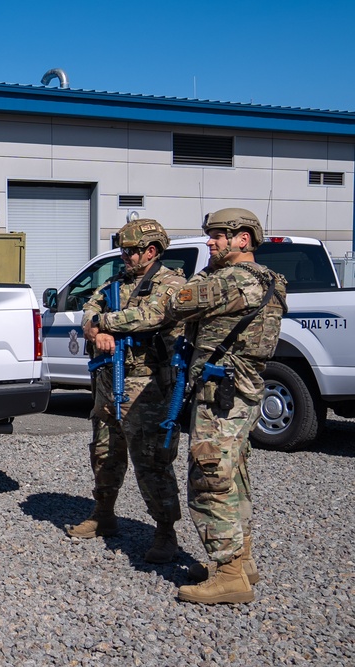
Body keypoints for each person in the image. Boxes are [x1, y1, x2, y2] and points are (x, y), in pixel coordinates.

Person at [165, 208, 286, 605]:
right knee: (234, 476)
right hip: (245, 390)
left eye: (219, 235)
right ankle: (241, 560)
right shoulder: (270, 280)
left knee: (209, 478)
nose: (210, 242)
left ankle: (230, 574)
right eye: (210, 234)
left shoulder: (227, 282)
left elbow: (173, 303)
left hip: (221, 395)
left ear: (244, 239)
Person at [68, 219, 186, 564]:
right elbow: (90, 309)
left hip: (148, 385)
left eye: (132, 251)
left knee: (152, 461)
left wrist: (103, 324)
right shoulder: (115, 283)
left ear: (151, 251)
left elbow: (150, 316)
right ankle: (103, 514)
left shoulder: (173, 283)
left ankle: (166, 532)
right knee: (104, 451)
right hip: (109, 382)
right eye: (124, 250)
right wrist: (93, 332)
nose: (126, 257)